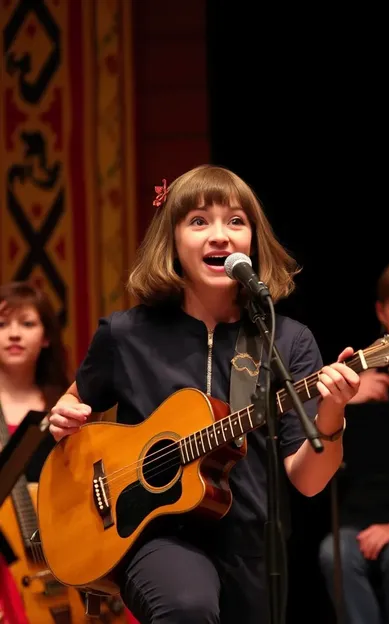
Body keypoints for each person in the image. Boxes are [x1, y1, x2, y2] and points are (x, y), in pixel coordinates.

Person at [48, 164, 360, 624]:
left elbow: (309, 480)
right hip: (153, 534)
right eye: (199, 221)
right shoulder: (125, 334)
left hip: (251, 545)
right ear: (171, 239)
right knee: (186, 608)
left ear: (253, 239)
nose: (221, 236)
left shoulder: (287, 342)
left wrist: (333, 409)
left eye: (236, 221)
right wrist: (64, 415)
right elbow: (73, 404)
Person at [319, 257, 389, 624]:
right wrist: (345, 402)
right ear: (381, 312)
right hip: (363, 514)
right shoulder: (362, 376)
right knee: (335, 554)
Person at [0, 281, 69, 624]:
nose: (13, 334)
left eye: (27, 323)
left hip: (57, 546)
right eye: (2, 324)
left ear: (45, 337)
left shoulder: (65, 405)